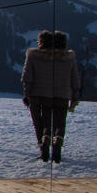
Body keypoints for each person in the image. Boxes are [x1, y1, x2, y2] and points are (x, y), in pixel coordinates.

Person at [22, 30, 80, 162]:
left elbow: (27, 77)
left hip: (38, 95)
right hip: (62, 95)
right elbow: (75, 79)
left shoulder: (33, 56)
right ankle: (57, 146)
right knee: (60, 122)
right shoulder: (69, 58)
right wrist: (75, 96)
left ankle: (44, 147)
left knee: (40, 123)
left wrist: (27, 93)